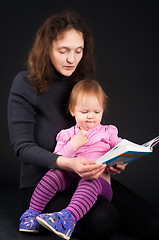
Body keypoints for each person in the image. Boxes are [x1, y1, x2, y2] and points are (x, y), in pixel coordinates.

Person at [8, 10, 159, 240]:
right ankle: (40, 216)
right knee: (104, 220)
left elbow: (98, 132)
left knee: (152, 223)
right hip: (46, 184)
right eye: (63, 51)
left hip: (87, 178)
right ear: (46, 48)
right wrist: (67, 163)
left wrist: (113, 160)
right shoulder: (24, 84)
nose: (72, 59)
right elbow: (22, 147)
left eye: (78, 51)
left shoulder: (80, 83)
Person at [19, 79, 122, 239]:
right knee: (54, 175)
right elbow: (57, 159)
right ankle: (32, 213)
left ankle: (66, 219)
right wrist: (72, 145)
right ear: (73, 110)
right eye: (84, 112)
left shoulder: (108, 132)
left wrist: (120, 160)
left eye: (96, 112)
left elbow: (121, 147)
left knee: (90, 181)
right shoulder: (67, 135)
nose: (91, 117)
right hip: (71, 180)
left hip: (98, 183)